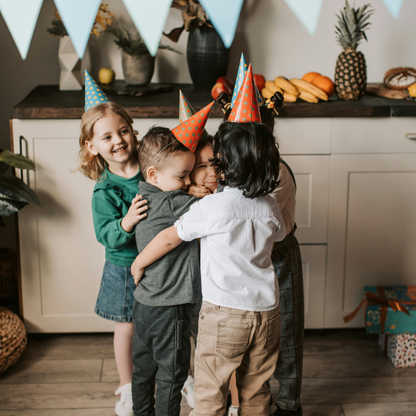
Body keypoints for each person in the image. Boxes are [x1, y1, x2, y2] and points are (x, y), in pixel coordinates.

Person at [218, 88, 305, 416]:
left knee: (286, 337)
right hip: (240, 258)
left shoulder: (277, 173)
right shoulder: (227, 169)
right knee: (240, 337)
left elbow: (248, 212)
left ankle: (287, 404)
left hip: (277, 258)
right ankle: (240, 401)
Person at [131, 103, 214, 416]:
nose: (186, 181)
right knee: (172, 373)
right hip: (171, 305)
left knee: (143, 368)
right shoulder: (176, 201)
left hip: (144, 304)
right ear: (154, 174)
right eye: (182, 176)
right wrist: (195, 190)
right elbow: (211, 203)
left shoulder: (143, 194)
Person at [78, 71, 148, 416]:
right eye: (106, 137)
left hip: (160, 260)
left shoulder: (151, 168)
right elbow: (105, 233)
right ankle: (127, 386)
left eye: (122, 131)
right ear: (92, 147)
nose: (118, 140)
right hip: (123, 267)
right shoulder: (105, 191)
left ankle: (184, 377)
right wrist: (127, 221)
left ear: (133, 130)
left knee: (171, 320)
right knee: (127, 326)